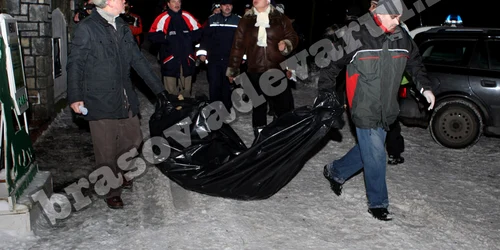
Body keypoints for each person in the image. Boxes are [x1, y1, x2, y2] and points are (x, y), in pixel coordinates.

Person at [319, 0, 436, 221]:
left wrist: (425, 88)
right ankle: (378, 203)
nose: (398, 21)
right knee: (376, 153)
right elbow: (330, 65)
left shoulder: (401, 36)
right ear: (380, 14)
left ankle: (335, 171)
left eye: (400, 17)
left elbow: (414, 64)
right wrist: (326, 93)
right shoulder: (356, 36)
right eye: (394, 17)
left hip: (387, 107)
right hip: (362, 104)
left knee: (369, 151)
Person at [67, 0, 173, 209]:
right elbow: (75, 63)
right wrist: (75, 96)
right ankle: (111, 190)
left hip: (124, 97)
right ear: (107, 2)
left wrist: (160, 91)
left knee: (134, 140)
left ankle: (119, 172)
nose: (125, 0)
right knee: (106, 150)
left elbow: (138, 60)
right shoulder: (87, 28)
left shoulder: (122, 26)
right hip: (99, 99)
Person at [226, 0, 298, 138]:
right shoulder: (245, 20)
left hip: (277, 69)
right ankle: (260, 137)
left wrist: (286, 43)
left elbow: (293, 37)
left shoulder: (280, 18)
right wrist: (233, 69)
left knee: (283, 106)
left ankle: (282, 135)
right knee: (258, 106)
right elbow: (237, 46)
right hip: (254, 70)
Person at [148, 0, 202, 97]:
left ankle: (186, 109)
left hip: (186, 59)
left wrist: (189, 38)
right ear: (168, 4)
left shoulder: (187, 16)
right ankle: (173, 109)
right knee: (171, 92)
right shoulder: (162, 17)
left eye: (179, 2)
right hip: (170, 59)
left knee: (186, 91)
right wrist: (166, 38)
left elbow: (199, 31)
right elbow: (152, 35)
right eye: (174, 1)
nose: (177, 4)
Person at [197, 0, 240, 112]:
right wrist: (202, 53)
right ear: (220, 7)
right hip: (214, 59)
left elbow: (242, 41)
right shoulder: (212, 19)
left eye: (230, 5)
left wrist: (242, 57)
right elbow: (205, 38)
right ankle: (214, 110)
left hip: (231, 60)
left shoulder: (238, 20)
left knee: (228, 85)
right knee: (214, 84)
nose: (227, 7)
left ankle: (226, 109)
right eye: (225, 5)